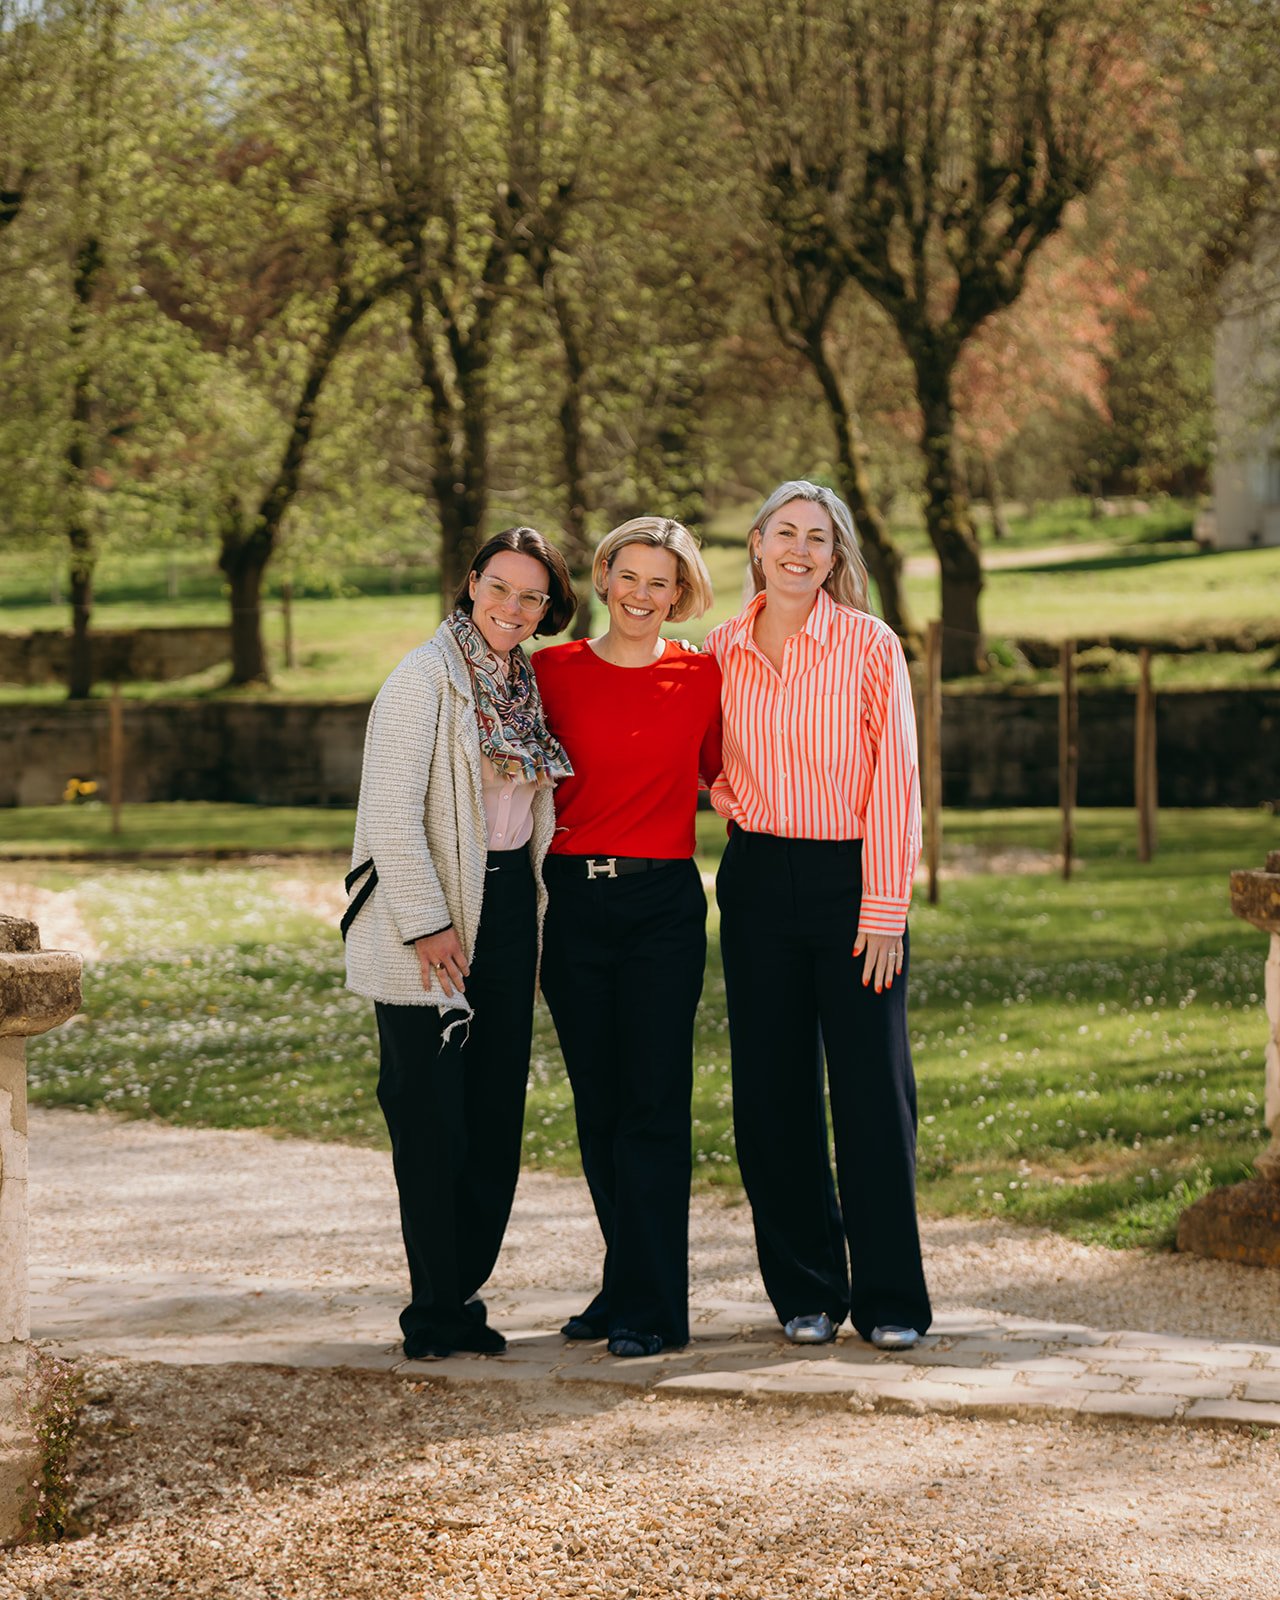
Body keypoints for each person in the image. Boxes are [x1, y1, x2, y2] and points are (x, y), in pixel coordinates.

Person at [705, 480, 932, 1351]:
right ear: (758, 545)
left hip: (852, 886)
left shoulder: (870, 645)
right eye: (785, 533)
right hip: (758, 878)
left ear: (836, 557)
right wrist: (735, 798)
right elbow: (704, 759)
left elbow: (897, 782)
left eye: (819, 538)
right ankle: (804, 1290)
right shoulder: (719, 650)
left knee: (875, 1092)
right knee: (771, 1093)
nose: (801, 550)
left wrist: (884, 908)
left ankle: (889, 1300)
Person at [343, 528, 576, 1360]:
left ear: (548, 608)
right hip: (433, 915)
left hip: (511, 901)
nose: (512, 607)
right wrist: (428, 920)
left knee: (492, 1111)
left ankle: (462, 1291)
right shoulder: (425, 679)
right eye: (500, 587)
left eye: (532, 596)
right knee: (431, 1113)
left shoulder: (523, 684)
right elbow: (389, 818)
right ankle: (432, 1308)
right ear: (471, 582)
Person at [533, 518, 721, 1359]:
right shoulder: (551, 673)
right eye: (630, 576)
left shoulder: (703, 676)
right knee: (600, 1106)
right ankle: (624, 1283)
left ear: (680, 593)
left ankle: (654, 1307)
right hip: (573, 905)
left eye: (663, 582)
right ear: (604, 578)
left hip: (663, 909)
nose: (644, 595)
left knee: (652, 1105)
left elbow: (732, 774)